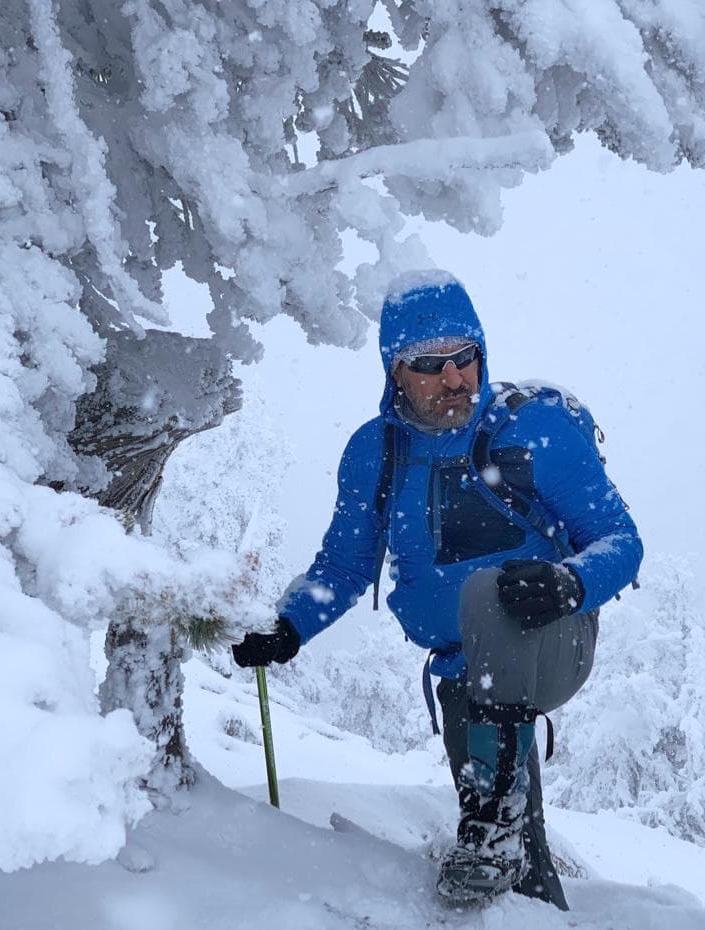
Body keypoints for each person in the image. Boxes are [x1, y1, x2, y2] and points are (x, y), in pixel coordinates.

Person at [232, 271, 642, 909]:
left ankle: (496, 832)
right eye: (429, 365)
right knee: (503, 854)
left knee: (488, 600)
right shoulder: (376, 453)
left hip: (553, 636)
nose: (455, 379)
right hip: (460, 666)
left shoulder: (534, 434)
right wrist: (287, 628)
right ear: (395, 371)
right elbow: (345, 566)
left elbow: (621, 540)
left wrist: (569, 582)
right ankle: (529, 890)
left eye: (465, 358)